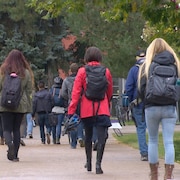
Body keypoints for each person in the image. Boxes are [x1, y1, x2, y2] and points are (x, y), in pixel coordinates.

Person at [137, 38, 180, 180]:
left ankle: (154, 175)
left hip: (152, 107)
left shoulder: (147, 65)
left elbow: (141, 88)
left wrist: (146, 100)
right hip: (169, 106)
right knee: (169, 141)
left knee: (153, 140)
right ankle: (168, 175)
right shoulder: (175, 66)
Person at [68, 47, 113, 174]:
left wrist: (71, 111)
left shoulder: (82, 71)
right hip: (102, 107)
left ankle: (88, 163)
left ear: (86, 57)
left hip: (87, 108)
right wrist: (107, 102)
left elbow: (76, 93)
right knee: (101, 136)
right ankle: (98, 164)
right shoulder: (106, 71)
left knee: (88, 136)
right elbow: (109, 91)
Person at [0, 49, 34, 161]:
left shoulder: (3, 71)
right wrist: (29, 106)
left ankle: (9, 144)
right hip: (20, 104)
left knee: (6, 129)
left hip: (5, 104)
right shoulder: (26, 73)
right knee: (16, 129)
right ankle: (15, 156)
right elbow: (29, 90)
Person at [125, 49, 148, 161]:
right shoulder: (151, 68)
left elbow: (128, 87)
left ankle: (144, 152)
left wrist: (130, 101)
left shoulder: (134, 70)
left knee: (141, 128)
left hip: (138, 102)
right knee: (152, 129)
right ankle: (153, 152)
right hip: (151, 102)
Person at [61, 63, 85, 149]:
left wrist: (69, 97)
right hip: (81, 102)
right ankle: (81, 137)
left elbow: (63, 93)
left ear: (70, 71)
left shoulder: (66, 80)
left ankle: (73, 143)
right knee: (81, 120)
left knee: (72, 121)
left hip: (71, 102)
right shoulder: (81, 78)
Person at [50, 77, 65, 144]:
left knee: (53, 125)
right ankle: (58, 138)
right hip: (61, 109)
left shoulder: (52, 90)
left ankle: (53, 139)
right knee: (58, 125)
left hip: (53, 109)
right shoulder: (62, 90)